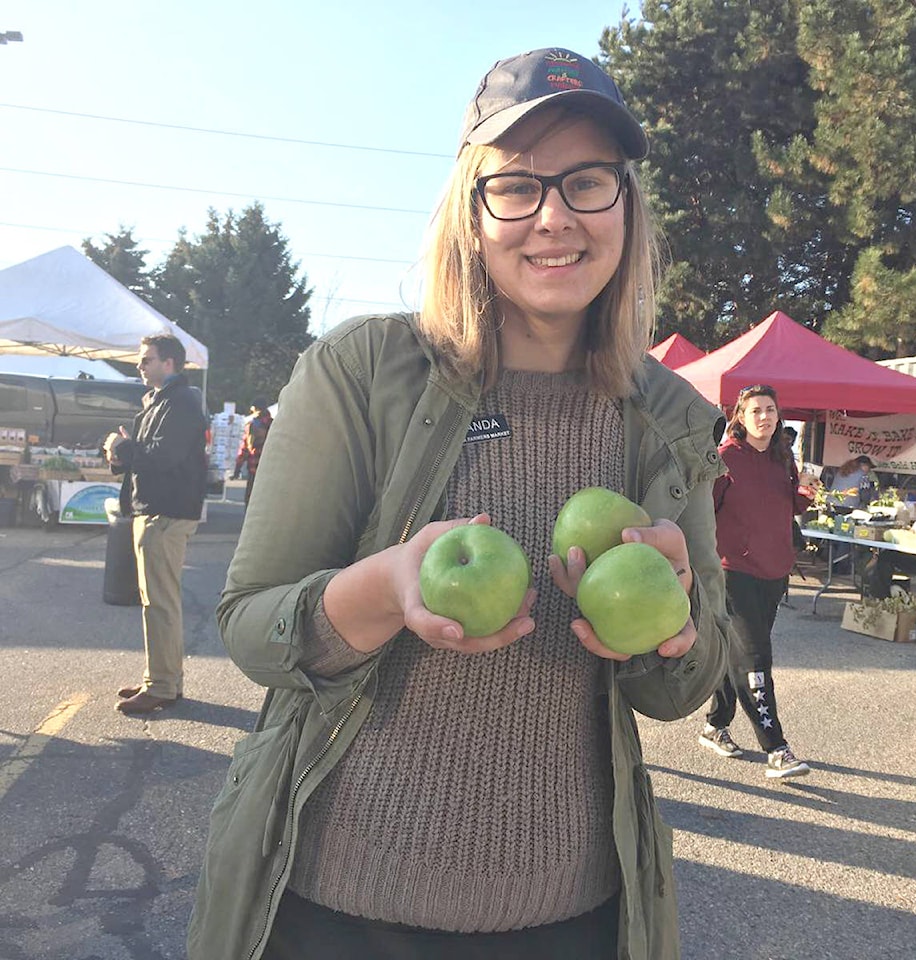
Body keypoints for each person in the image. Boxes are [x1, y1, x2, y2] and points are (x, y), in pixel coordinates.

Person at [188, 46, 731, 960]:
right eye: (516, 186)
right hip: (336, 910)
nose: (553, 215)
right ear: (471, 213)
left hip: (573, 916)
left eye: (587, 182)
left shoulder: (669, 417)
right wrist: (382, 590)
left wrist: (674, 630)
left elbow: (682, 689)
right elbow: (251, 627)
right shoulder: (361, 372)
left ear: (625, 208)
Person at [698, 384, 815, 779]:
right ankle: (777, 749)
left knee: (741, 656)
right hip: (735, 573)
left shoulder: (785, 458)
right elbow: (702, 512)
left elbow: (788, 507)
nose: (764, 417)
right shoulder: (726, 458)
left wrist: (804, 495)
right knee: (756, 658)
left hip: (775, 572)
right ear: (741, 417)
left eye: (770, 409)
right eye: (755, 411)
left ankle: (715, 725)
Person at [103, 334, 207, 714]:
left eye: (147, 360)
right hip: (156, 509)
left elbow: (163, 456)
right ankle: (165, 679)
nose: (140, 366)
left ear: (170, 363)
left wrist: (122, 447)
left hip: (165, 512)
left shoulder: (180, 402)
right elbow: (149, 456)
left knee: (158, 603)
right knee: (159, 601)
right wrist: (122, 454)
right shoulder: (162, 400)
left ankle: (161, 684)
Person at [232, 397, 273, 504]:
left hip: (253, 467)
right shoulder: (273, 424)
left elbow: (244, 449)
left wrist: (237, 469)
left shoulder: (250, 425)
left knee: (250, 501)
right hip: (269, 468)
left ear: (255, 409)